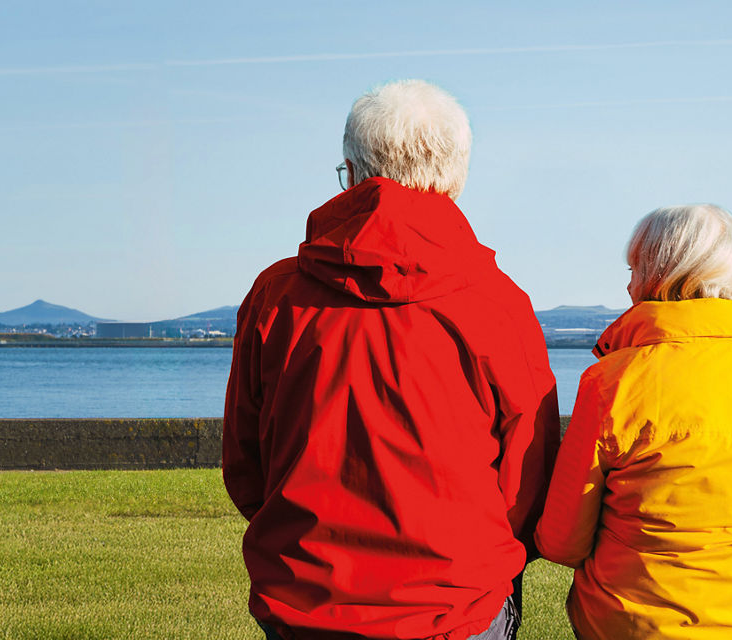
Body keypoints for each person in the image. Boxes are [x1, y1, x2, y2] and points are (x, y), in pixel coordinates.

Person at [222, 79, 559, 640]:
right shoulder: (497, 303)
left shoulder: (275, 296)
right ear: (455, 177)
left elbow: (246, 463)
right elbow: (527, 472)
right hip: (455, 607)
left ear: (353, 174)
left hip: (308, 604)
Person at [535, 204, 732, 640]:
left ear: (661, 277)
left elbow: (563, 542)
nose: (626, 285)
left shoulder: (612, 384)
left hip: (631, 627)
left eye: (634, 269)